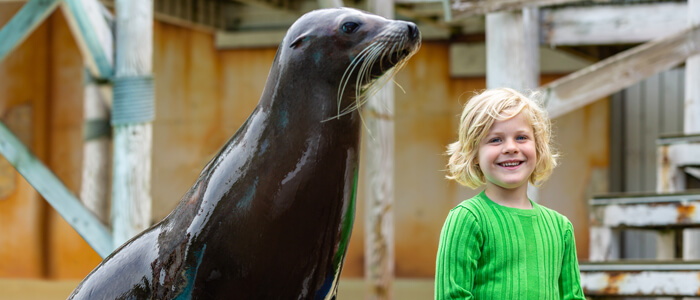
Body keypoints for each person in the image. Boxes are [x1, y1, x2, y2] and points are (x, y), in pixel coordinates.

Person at [434, 88, 585, 299]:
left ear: (538, 147)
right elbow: (452, 296)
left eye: (521, 137)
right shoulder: (468, 219)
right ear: (474, 153)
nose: (511, 148)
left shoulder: (561, 228)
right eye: (495, 140)